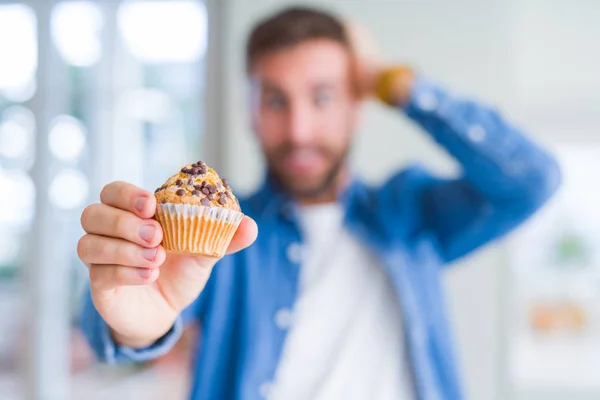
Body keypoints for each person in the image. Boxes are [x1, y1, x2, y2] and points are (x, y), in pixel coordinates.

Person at [78, 6, 561, 400]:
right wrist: (134, 326)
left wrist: (397, 84)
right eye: (275, 100)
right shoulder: (217, 238)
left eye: (323, 97)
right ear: (250, 110)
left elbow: (532, 181)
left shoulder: (413, 213)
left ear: (357, 106)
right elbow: (123, 320)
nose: (299, 131)